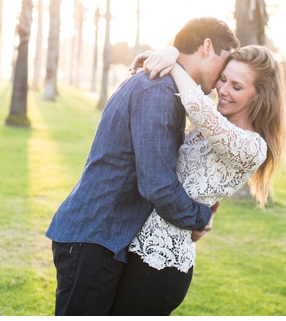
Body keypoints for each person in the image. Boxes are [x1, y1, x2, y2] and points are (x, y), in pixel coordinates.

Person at [45, 17, 239, 315]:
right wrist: (200, 217)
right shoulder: (158, 92)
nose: (221, 79)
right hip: (95, 238)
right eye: (223, 65)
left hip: (100, 237)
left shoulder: (164, 87)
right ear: (207, 47)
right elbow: (157, 185)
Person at [110, 43, 286, 315]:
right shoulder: (209, 129)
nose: (223, 90)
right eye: (223, 79)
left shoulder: (253, 146)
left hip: (161, 264)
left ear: (258, 96)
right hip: (138, 250)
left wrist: (173, 60)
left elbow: (196, 105)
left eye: (236, 86)